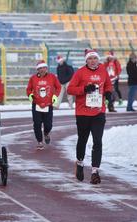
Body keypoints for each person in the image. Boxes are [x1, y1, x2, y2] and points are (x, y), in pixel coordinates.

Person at [67, 49, 113, 185]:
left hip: (99, 112)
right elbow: (70, 89)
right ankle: (80, 163)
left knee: (98, 141)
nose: (93, 61)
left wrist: (109, 93)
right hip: (82, 112)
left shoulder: (103, 71)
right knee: (83, 139)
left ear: (98, 60)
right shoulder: (80, 72)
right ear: (86, 60)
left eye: (95, 58)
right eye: (90, 59)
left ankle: (94, 171)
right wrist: (84, 89)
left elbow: (109, 85)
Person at [26, 60, 61, 150]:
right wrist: (30, 95)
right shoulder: (33, 78)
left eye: (44, 68)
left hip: (48, 104)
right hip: (36, 104)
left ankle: (46, 133)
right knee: (37, 124)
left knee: (48, 124)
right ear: (37, 69)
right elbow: (29, 89)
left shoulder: (52, 77)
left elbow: (58, 87)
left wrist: (55, 96)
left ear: (47, 68)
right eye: (40, 68)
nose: (42, 70)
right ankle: (39, 141)